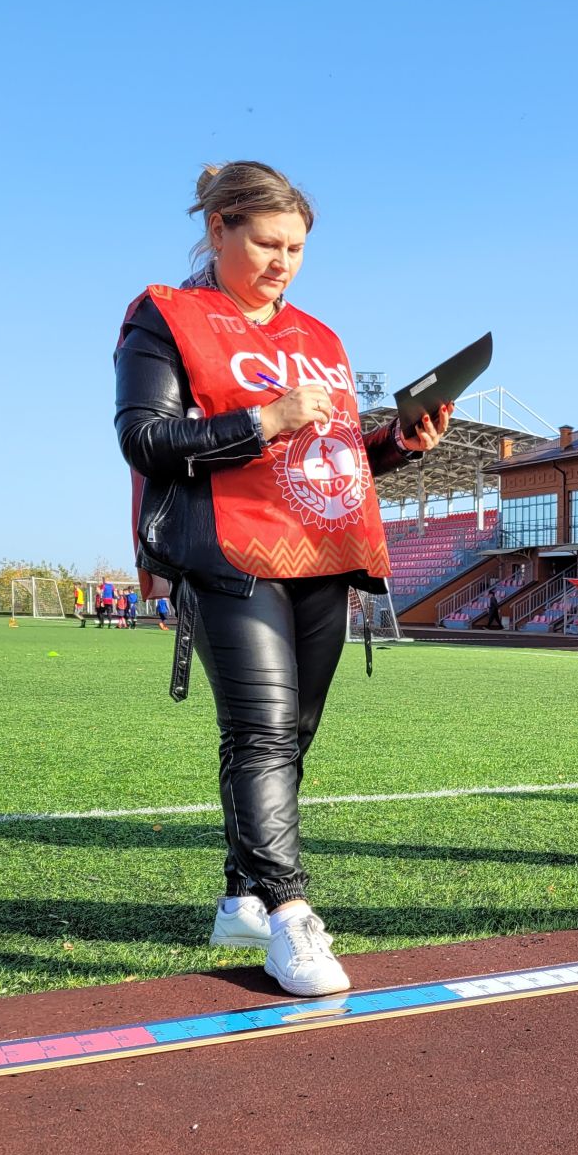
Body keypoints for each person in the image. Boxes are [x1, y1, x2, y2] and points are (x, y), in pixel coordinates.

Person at [113, 160, 453, 995]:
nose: (283, 262)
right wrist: (262, 418)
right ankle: (291, 917)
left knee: (291, 737)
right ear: (220, 225)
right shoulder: (166, 314)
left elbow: (330, 458)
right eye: (266, 242)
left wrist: (400, 444)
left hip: (324, 555)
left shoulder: (320, 336)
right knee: (262, 734)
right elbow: (145, 441)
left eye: (297, 248)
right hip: (229, 549)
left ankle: (241, 892)